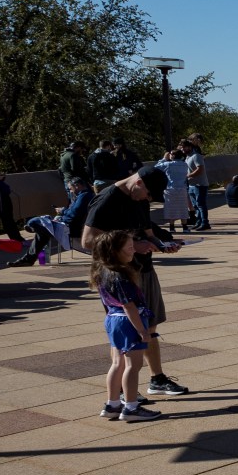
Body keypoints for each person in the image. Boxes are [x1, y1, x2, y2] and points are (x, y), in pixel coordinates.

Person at [81, 167, 191, 399]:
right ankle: (123, 392)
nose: (148, 200)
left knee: (149, 326)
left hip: (144, 268)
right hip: (120, 273)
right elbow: (88, 240)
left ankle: (157, 379)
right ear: (138, 182)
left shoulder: (139, 197)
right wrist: (130, 245)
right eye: (148, 194)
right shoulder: (107, 199)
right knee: (128, 331)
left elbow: (147, 231)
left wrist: (162, 243)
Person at [87, 230, 162, 423]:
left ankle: (112, 404)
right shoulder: (120, 275)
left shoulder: (102, 270)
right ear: (115, 251)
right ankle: (131, 407)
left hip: (113, 319)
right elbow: (129, 306)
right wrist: (142, 331)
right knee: (133, 365)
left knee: (117, 364)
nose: (133, 250)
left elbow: (107, 303)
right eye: (129, 247)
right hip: (128, 321)